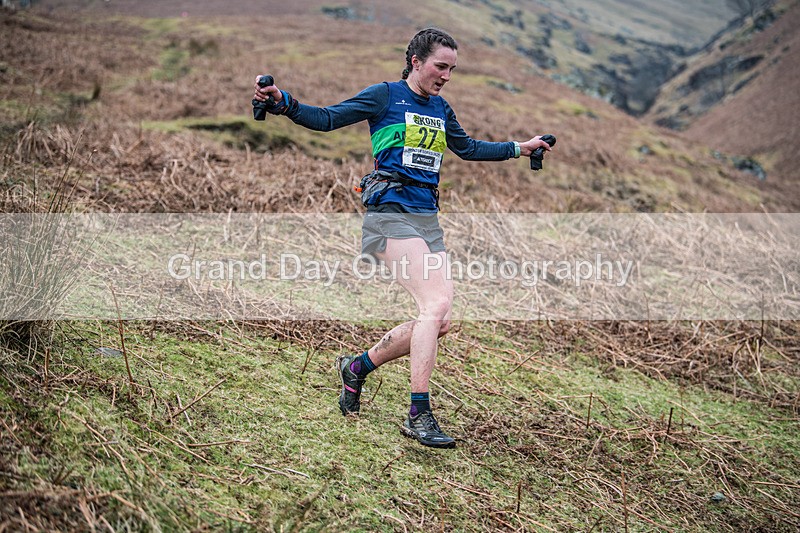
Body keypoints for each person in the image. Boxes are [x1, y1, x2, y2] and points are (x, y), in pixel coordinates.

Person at [253, 27, 553, 449]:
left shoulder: (441, 108)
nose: (446, 76)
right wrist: (282, 102)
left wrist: (520, 148)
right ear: (416, 61)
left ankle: (357, 368)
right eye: (440, 66)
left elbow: (467, 148)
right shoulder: (385, 96)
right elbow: (327, 118)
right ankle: (418, 414)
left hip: (426, 218)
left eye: (452, 69)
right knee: (435, 305)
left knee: (440, 320)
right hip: (389, 212)